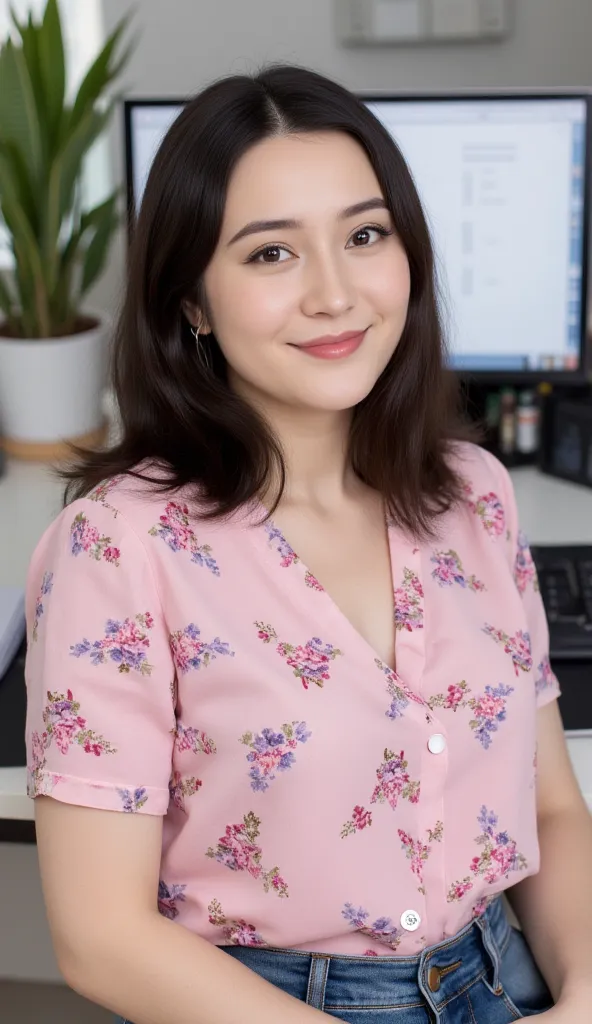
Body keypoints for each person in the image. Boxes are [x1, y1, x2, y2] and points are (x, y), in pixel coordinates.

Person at [25, 65, 591, 1024]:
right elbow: (100, 940)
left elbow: (550, 812)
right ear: (192, 302)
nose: (336, 294)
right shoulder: (118, 547)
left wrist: (581, 1000)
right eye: (270, 255)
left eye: (364, 236)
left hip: (509, 976)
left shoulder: (475, 496)